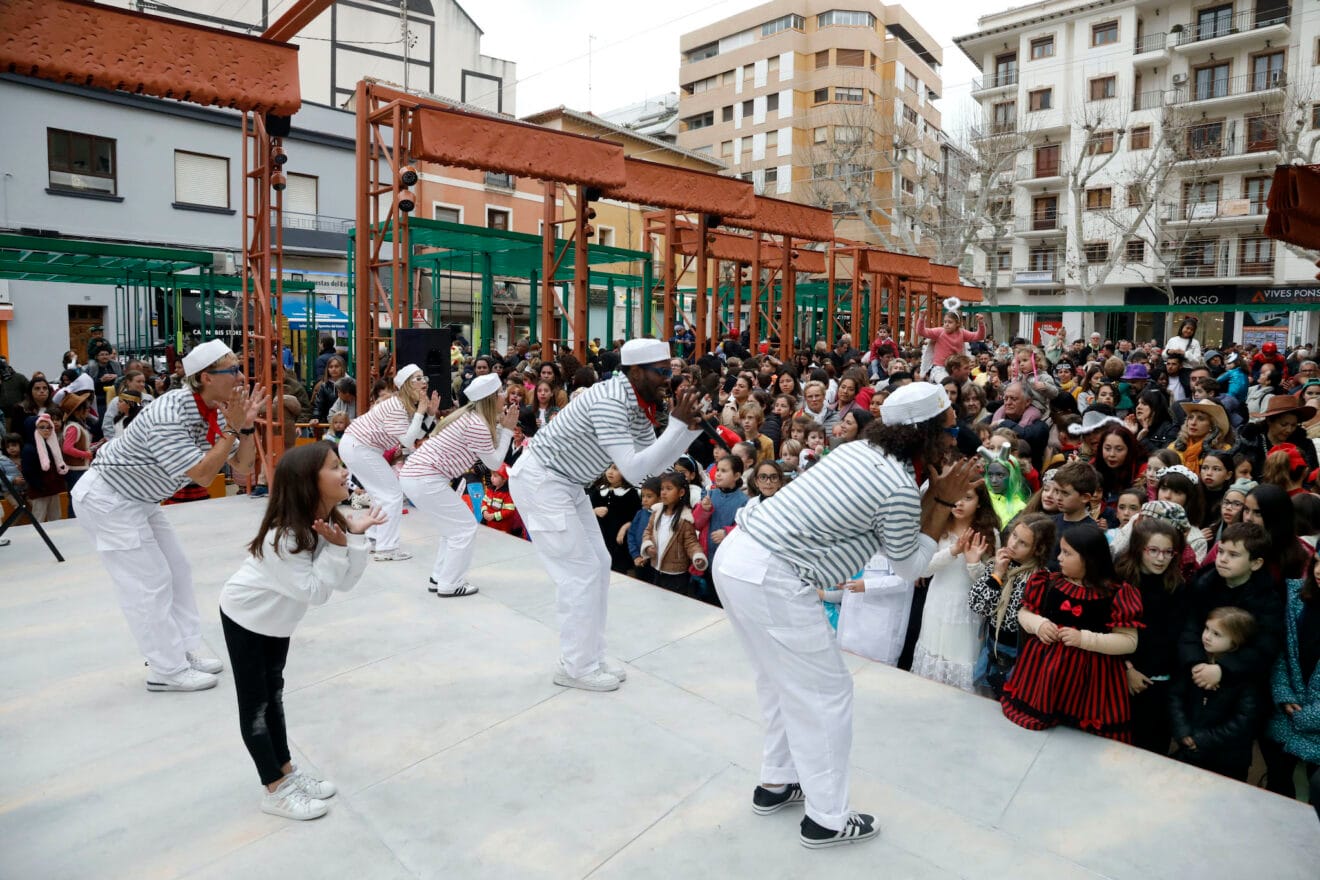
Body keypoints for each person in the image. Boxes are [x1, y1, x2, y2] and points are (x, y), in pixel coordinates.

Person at [711, 382, 980, 849]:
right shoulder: (898, 485)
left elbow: (900, 535)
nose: (955, 439)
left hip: (738, 559)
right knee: (827, 693)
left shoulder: (861, 451)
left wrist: (933, 494)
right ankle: (827, 819)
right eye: (949, 429)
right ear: (923, 433)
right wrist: (939, 500)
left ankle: (776, 782)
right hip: (773, 577)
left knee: (777, 681)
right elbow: (912, 566)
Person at [507, 338, 705, 692]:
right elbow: (632, 468)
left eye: (669, 371)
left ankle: (589, 657)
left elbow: (651, 470)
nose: (668, 379)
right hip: (543, 481)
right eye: (662, 372)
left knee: (598, 564)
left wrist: (688, 431)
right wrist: (676, 427)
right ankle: (576, 666)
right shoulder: (611, 400)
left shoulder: (638, 405)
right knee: (580, 573)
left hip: (566, 483)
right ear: (635, 372)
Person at [71, 340, 265, 691]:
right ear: (205, 377)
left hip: (139, 499)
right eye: (233, 370)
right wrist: (233, 430)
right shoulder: (170, 412)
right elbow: (203, 475)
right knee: (148, 583)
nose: (241, 377)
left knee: (177, 570)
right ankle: (166, 669)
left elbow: (243, 467)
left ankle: (182, 651)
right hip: (109, 498)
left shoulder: (218, 409)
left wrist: (246, 428)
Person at [219, 442, 384, 820]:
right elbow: (316, 593)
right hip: (246, 619)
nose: (345, 472)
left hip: (277, 623)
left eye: (342, 464)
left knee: (274, 694)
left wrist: (354, 539)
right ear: (308, 481)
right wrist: (338, 548)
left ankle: (286, 771)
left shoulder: (326, 522)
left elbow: (345, 583)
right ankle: (274, 789)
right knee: (256, 704)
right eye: (334, 467)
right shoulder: (283, 537)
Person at [1000, 524, 1144, 742]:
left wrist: (1084, 639)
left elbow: (1128, 641)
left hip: (1091, 684)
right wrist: (1038, 624)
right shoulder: (1048, 582)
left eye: (1067, 553)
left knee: (1077, 743)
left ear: (1089, 559)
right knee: (1033, 741)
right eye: (1060, 551)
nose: (1059, 557)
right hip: (1042, 678)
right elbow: (1024, 613)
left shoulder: (1116, 594)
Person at [397, 373, 516, 596]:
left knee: (452, 529)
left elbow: (490, 452)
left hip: (418, 476)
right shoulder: (477, 424)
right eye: (500, 392)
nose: (504, 395)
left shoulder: (471, 418)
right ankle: (450, 583)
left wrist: (502, 427)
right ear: (491, 398)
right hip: (425, 478)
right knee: (464, 528)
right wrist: (508, 429)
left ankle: (440, 577)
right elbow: (494, 463)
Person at [337, 363, 439, 562]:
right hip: (360, 447)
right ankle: (387, 548)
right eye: (418, 378)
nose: (424, 382)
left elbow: (415, 436)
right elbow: (407, 441)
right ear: (406, 384)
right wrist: (421, 412)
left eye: (424, 377)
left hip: (359, 447)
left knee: (381, 495)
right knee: (392, 495)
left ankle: (375, 539)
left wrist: (429, 414)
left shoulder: (404, 405)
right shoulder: (397, 406)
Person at [910, 483, 998, 693]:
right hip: (937, 603)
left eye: (968, 498)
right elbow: (923, 569)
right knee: (932, 658)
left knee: (962, 656)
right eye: (956, 496)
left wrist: (974, 563)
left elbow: (990, 583)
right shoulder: (937, 526)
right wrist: (953, 551)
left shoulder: (988, 533)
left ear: (979, 503)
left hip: (967, 609)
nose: (959, 503)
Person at [1114, 517, 1186, 755]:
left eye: (1168, 552)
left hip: (1160, 682)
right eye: (1153, 550)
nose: (1161, 558)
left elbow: (1175, 634)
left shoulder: (1176, 584)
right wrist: (1127, 669)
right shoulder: (1120, 580)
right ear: (1138, 549)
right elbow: (1107, 628)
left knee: (1153, 749)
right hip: (1125, 675)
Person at [968, 513, 1056, 697]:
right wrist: (997, 574)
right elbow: (977, 605)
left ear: (1038, 549)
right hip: (990, 649)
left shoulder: (1039, 579)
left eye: (1023, 543)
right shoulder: (999, 563)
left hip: (1016, 656)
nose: (1013, 544)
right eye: (1014, 535)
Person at [1170, 606, 1261, 780]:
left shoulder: (1245, 675)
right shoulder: (1195, 662)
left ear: (1235, 642)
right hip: (1190, 751)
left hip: (1227, 760)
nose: (1206, 636)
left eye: (1216, 634)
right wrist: (1183, 731)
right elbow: (1175, 696)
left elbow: (1244, 720)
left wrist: (1201, 739)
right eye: (1206, 628)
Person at [1266, 554, 1320, 817]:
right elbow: (1280, 651)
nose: (1319, 571)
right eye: (1318, 561)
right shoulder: (1295, 595)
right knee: (1277, 789)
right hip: (1286, 712)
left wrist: (1308, 716)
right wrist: (1283, 694)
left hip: (1312, 719)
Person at [640, 470, 708, 596]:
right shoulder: (657, 512)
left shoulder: (685, 518)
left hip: (676, 575)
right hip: (656, 568)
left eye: (669, 489)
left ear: (681, 492)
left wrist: (697, 556)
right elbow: (648, 531)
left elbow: (691, 542)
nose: (663, 492)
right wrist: (648, 546)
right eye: (662, 489)